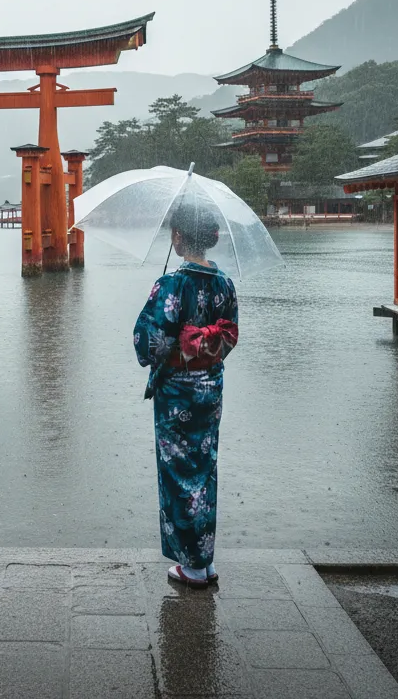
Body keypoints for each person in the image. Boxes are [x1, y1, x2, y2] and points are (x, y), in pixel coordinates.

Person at [132, 197, 239, 588]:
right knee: (204, 467)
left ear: (178, 237)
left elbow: (149, 346)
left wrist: (155, 307)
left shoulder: (172, 283)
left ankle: (192, 566)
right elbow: (227, 338)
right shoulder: (225, 283)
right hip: (211, 386)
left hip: (177, 391)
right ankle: (204, 559)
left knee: (179, 473)